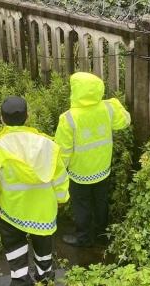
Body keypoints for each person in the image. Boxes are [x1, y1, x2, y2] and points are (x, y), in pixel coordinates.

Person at [0, 96, 70, 286]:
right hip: (43, 210)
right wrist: (61, 199)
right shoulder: (47, 144)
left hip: (12, 210)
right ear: (27, 117)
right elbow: (60, 177)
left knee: (14, 246)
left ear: (1, 119)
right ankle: (45, 280)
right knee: (44, 246)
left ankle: (21, 285)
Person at [55, 72, 131, 247]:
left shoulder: (68, 118)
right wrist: (116, 103)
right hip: (102, 168)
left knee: (82, 206)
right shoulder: (108, 108)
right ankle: (102, 236)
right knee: (101, 203)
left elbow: (62, 151)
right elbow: (125, 121)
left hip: (79, 172)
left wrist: (59, 174)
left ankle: (84, 238)